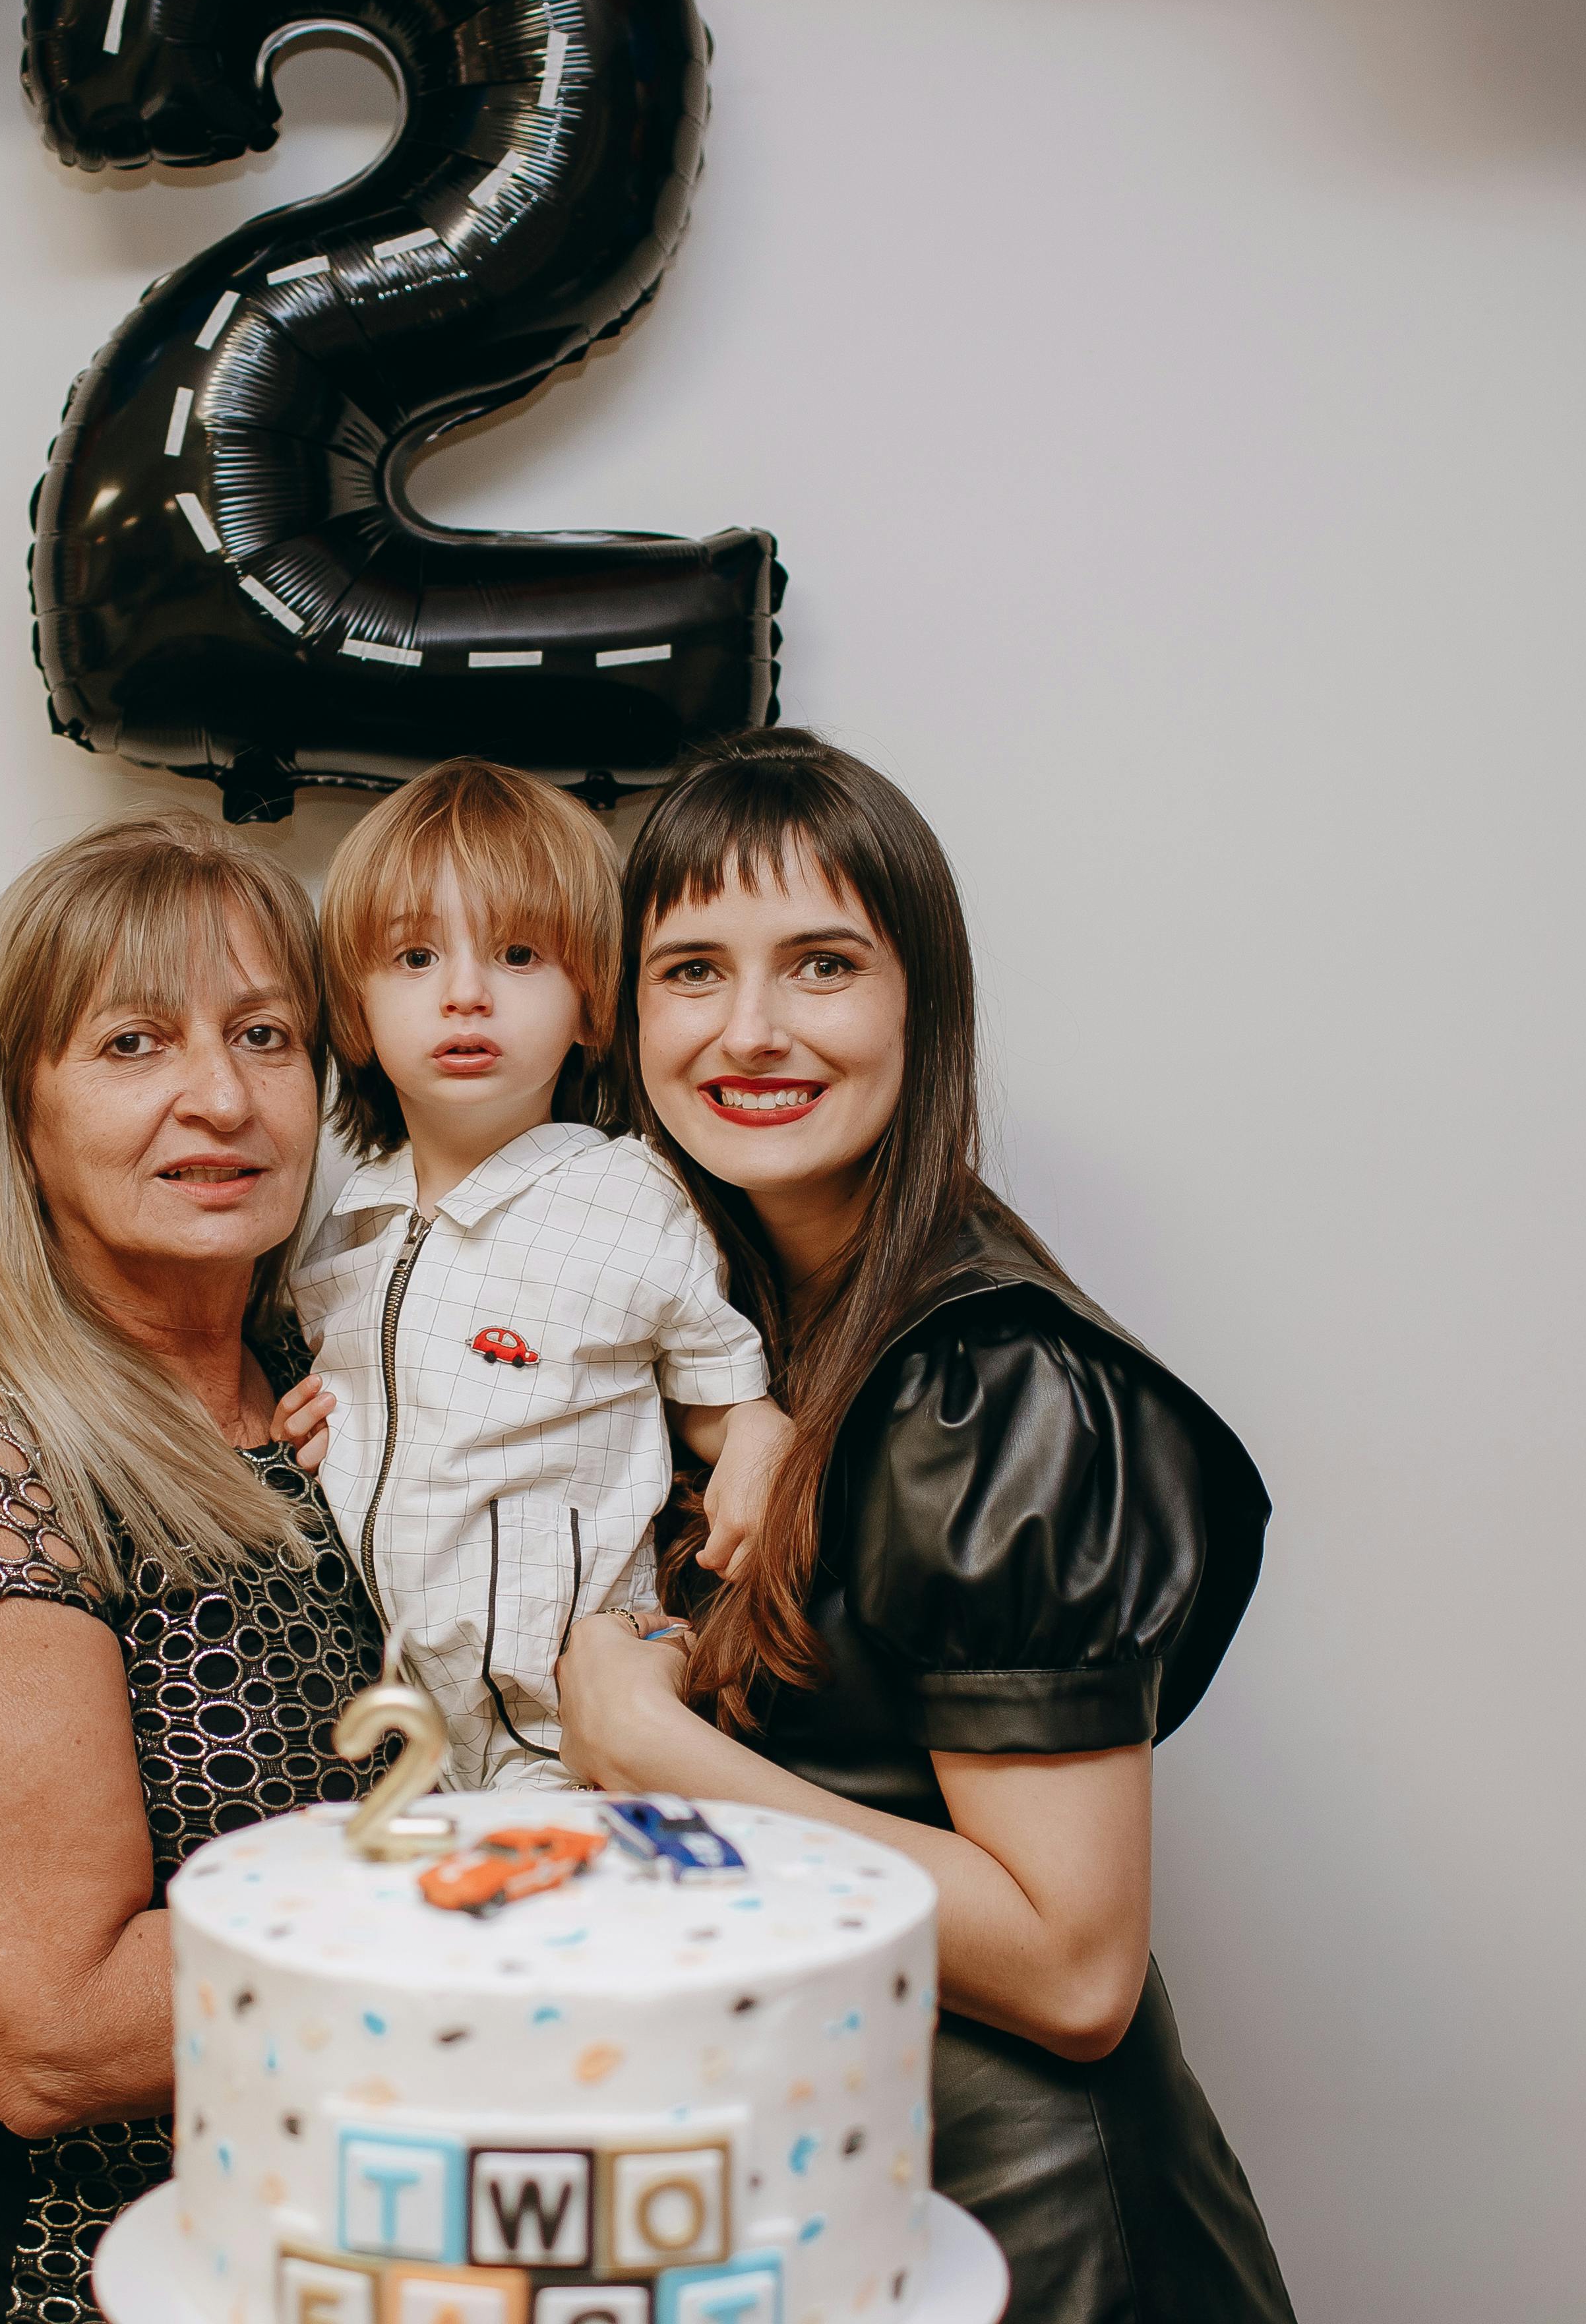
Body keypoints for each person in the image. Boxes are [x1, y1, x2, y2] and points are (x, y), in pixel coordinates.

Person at [551, 731, 1299, 2324]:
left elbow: (1075, 1972)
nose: (749, 1031)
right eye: (691, 971)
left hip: (1031, 2245)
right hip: (828, 2206)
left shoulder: (984, 1381)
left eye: (821, 963)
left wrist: (649, 1744)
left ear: (919, 1007)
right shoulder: (729, 1337)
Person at [0, 814, 386, 2324]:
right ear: (21, 1113)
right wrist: (514, 1905)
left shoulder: (343, 1378)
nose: (223, 1098)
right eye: (134, 1044)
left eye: (267, 1035)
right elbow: (45, 2034)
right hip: (73, 2284)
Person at [274, 758, 793, 1790]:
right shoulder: (341, 1228)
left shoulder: (630, 1197)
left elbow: (711, 1391)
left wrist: (759, 1428)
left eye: (517, 955)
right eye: (415, 957)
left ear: (593, 1004)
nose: (465, 994)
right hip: (381, 1716)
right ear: (358, 1013)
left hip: (567, 1721)